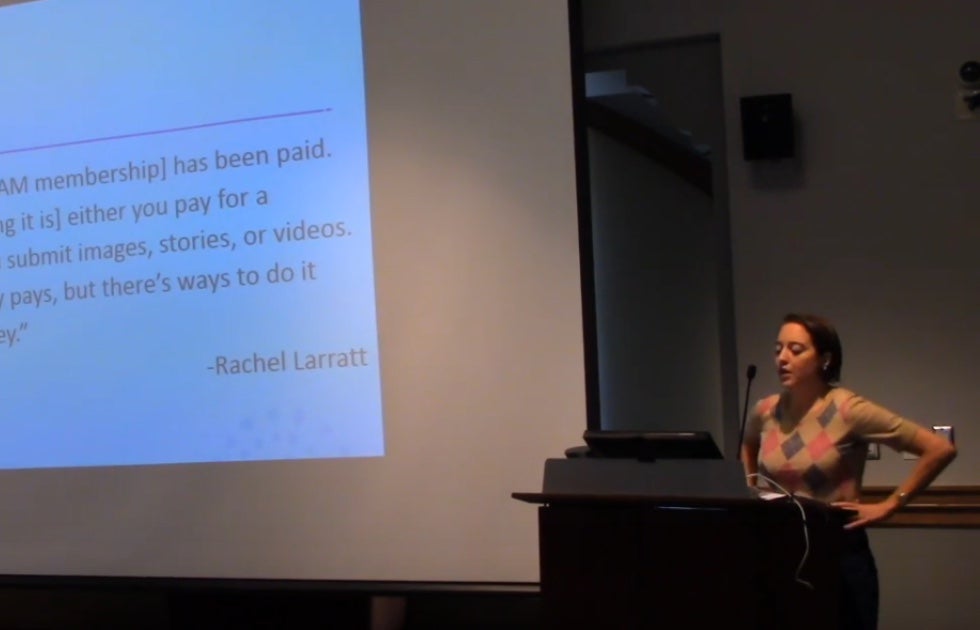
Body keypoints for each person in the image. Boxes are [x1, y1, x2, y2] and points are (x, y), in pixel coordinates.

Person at [741, 313, 957, 630]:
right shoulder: (766, 410)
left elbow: (940, 449)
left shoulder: (847, 409)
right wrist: (753, 491)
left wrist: (891, 504)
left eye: (796, 349)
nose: (782, 358)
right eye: (778, 349)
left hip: (838, 554)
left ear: (825, 359)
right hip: (778, 551)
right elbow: (748, 446)